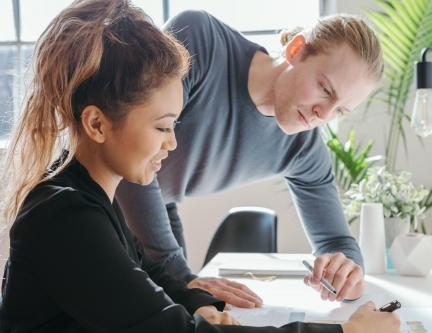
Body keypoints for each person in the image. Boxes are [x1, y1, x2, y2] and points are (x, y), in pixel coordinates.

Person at [0, 1, 400, 332]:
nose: (323, 114)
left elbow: (156, 287)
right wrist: (347, 331)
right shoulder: (68, 217)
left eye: (341, 110)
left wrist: (195, 298)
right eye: (164, 126)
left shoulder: (91, 210)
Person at [115, 9, 384, 307]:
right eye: (325, 89)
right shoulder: (201, 42)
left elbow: (338, 242)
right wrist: (180, 275)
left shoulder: (303, 148)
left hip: (156, 207)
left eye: (340, 110)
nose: (324, 114)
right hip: (91, 195)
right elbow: (130, 146)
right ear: (296, 50)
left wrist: (349, 276)